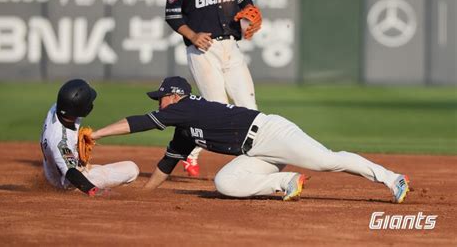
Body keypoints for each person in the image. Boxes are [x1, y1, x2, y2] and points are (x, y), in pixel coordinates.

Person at [90, 76, 411, 203]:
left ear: (175, 96)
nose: (158, 102)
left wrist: (99, 133)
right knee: (225, 183)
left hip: (271, 132)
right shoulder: (184, 126)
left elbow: (141, 122)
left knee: (328, 160)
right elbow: (166, 164)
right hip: (255, 151)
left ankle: (392, 178)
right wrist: (144, 197)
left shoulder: (185, 106)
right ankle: (285, 182)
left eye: (161, 97)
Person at [165, 0, 263, 176]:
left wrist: (248, 18)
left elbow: (245, 2)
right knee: (217, 107)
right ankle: (190, 151)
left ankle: (256, 164)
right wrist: (192, 35)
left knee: (248, 108)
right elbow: (173, 15)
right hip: (203, 51)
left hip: (231, 47)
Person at [39, 79, 139, 196]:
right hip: (69, 183)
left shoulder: (58, 108)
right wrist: (95, 191)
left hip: (53, 170)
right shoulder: (61, 142)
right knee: (132, 169)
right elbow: (71, 172)